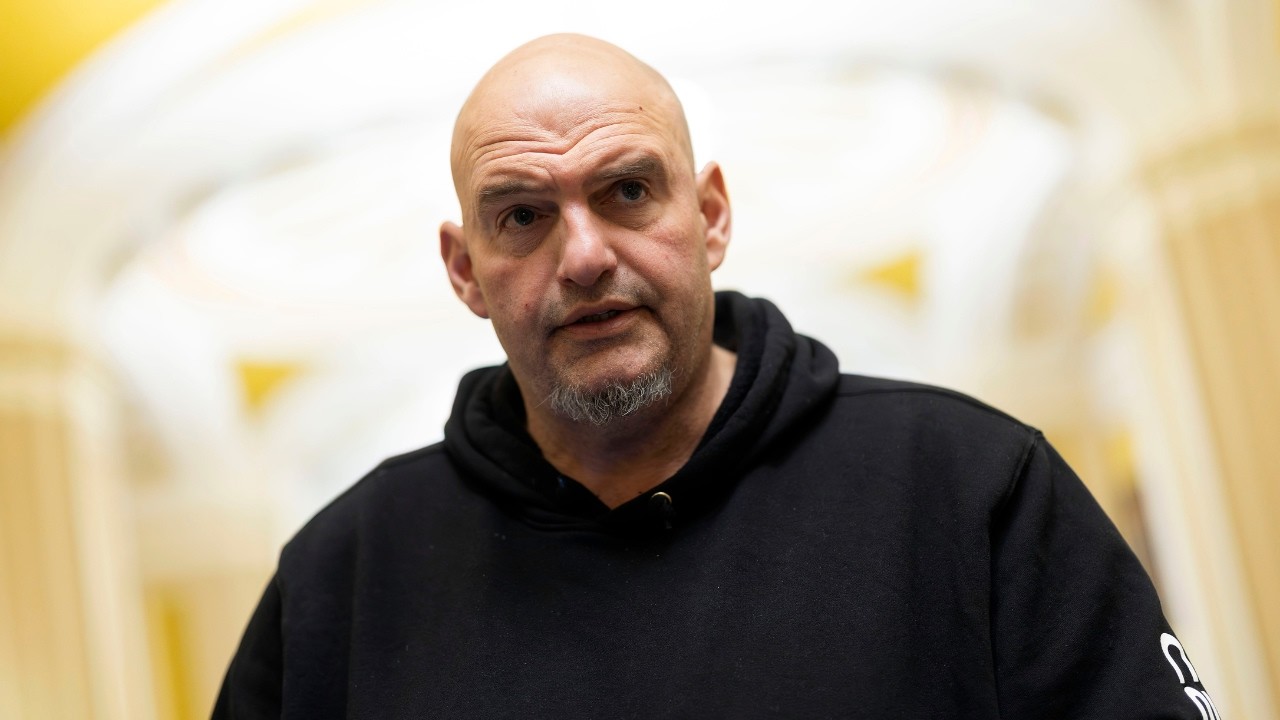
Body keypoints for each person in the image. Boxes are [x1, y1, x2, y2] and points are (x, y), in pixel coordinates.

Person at [214, 34, 1220, 719]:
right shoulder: (339, 582)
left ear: (710, 218)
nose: (583, 257)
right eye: (521, 215)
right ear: (465, 270)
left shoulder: (968, 487)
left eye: (626, 191)